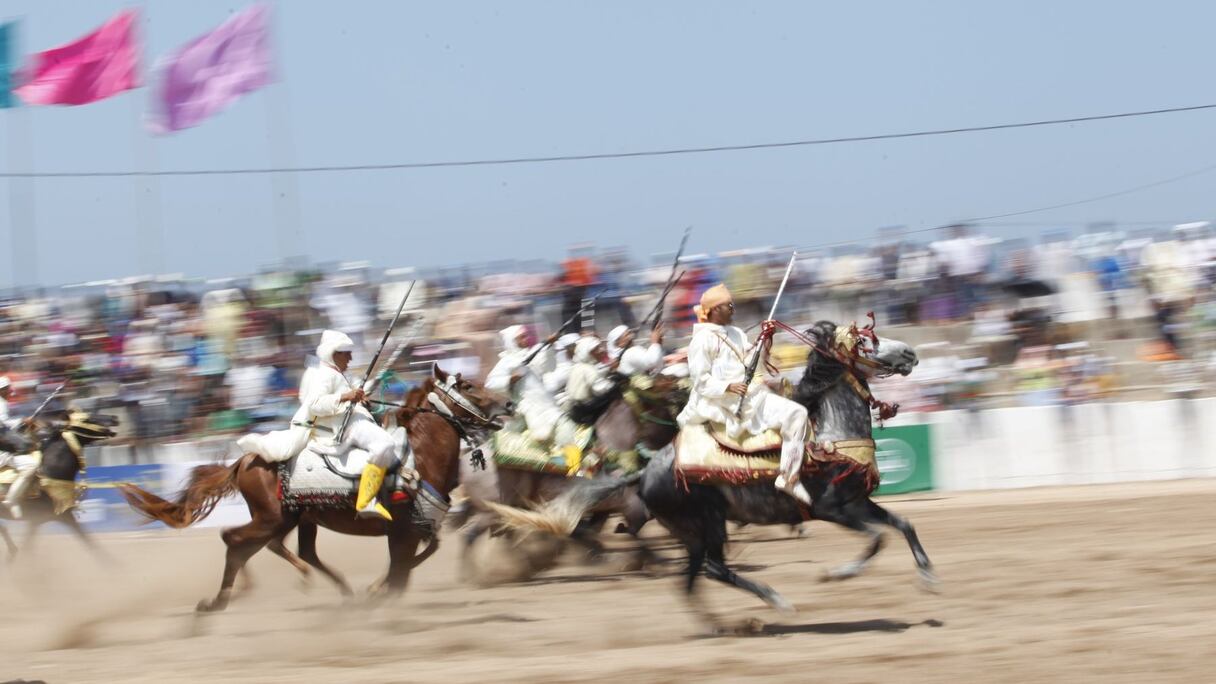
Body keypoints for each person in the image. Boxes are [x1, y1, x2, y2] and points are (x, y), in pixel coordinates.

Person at [236, 330, 400, 521]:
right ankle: (366, 501)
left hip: (352, 420)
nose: (351, 357)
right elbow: (314, 404)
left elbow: (355, 391)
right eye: (346, 353)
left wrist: (364, 392)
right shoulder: (325, 375)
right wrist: (346, 396)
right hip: (345, 426)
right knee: (385, 444)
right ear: (334, 354)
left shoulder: (339, 374)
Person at [677, 285, 813, 506]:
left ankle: (789, 477)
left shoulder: (736, 333)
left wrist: (767, 340)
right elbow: (700, 381)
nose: (733, 309)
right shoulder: (701, 341)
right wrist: (728, 387)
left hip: (752, 395)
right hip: (723, 402)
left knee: (798, 413)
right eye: (729, 306)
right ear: (714, 310)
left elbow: (753, 361)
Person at [485, 325, 562, 441]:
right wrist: (511, 379)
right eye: (521, 337)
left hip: (546, 400)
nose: (526, 339)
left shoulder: (533, 354)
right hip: (528, 406)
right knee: (543, 435)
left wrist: (550, 345)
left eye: (525, 336)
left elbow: (549, 367)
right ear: (513, 341)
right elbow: (490, 383)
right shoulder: (506, 361)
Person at [0, 376, 37, 519]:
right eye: (8, 390)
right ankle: (11, 500)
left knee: (31, 465)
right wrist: (22, 421)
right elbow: (3, 424)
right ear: (2, 390)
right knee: (30, 466)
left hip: (5, 449)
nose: (10, 392)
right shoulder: (1, 403)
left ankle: (11, 500)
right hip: (3, 451)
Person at [565, 337, 616, 403]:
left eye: (599, 346)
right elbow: (601, 390)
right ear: (587, 353)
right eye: (596, 349)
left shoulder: (577, 366)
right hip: (589, 408)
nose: (602, 350)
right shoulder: (589, 370)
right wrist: (613, 383)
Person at [543, 333, 582, 406]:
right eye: (576, 346)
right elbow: (549, 388)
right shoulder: (564, 369)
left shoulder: (575, 363)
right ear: (569, 348)